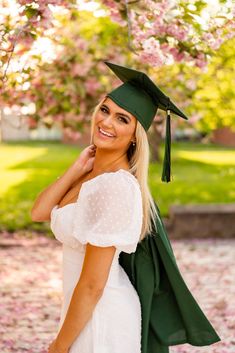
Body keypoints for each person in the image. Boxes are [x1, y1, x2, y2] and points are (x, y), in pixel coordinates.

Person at [31, 62, 220, 353]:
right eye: (105, 111)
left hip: (101, 318)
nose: (106, 123)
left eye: (122, 119)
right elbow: (39, 213)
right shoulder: (91, 176)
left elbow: (93, 284)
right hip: (80, 310)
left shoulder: (115, 188)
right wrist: (76, 168)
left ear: (135, 135)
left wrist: (58, 347)